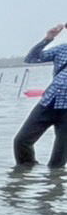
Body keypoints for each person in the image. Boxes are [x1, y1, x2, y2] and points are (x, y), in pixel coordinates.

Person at [15, 23, 67, 168]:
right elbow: (31, 58)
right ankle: (26, 174)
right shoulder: (62, 49)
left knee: (58, 159)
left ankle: (53, 185)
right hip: (48, 102)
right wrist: (48, 39)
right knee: (21, 141)